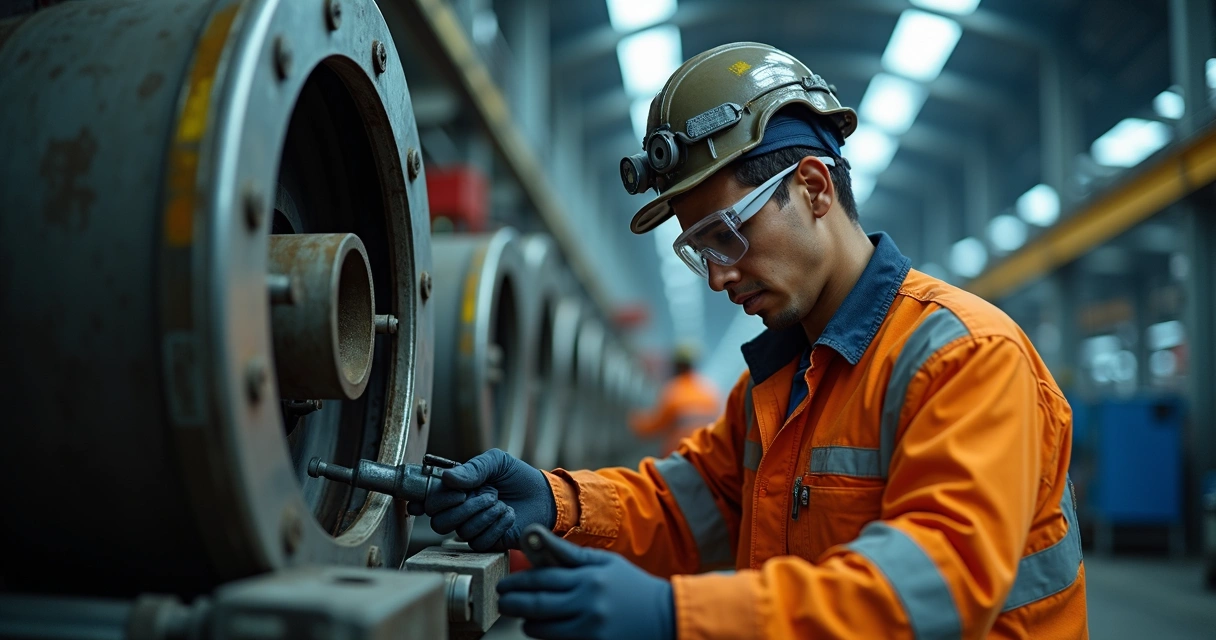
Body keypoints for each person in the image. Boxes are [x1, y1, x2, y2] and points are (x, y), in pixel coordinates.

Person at [409, 42, 1088, 639]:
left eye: (727, 236)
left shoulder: (964, 357)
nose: (718, 277)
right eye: (698, 251)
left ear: (814, 189)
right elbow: (689, 503)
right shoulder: (781, 380)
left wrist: (678, 617)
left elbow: (937, 583)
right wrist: (560, 502)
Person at [629, 345, 722, 457]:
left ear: (676, 366)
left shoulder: (673, 390)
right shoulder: (709, 390)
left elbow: (655, 426)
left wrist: (636, 423)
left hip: (679, 454)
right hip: (708, 453)